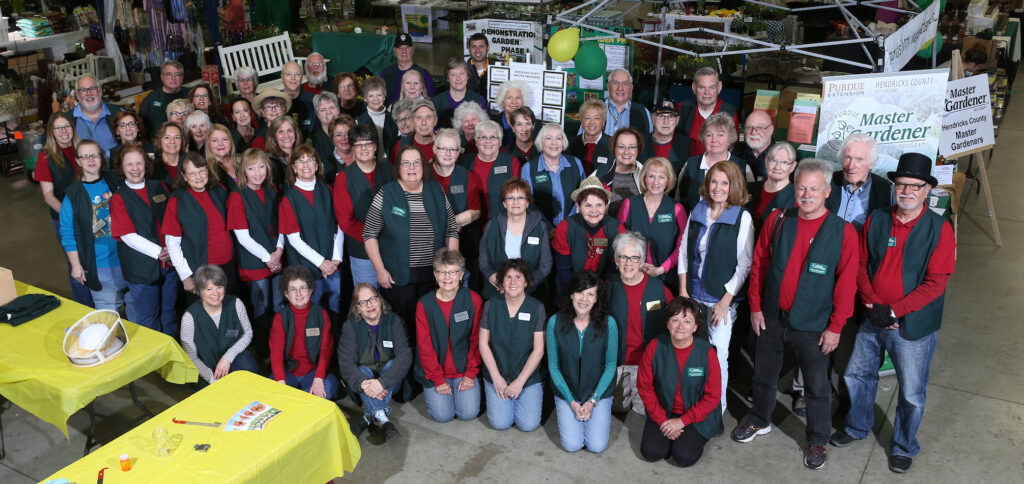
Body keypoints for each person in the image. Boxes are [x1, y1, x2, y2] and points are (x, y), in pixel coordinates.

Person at [830, 152, 956, 474]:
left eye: (915, 186)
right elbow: (860, 263)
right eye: (901, 184)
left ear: (927, 190)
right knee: (857, 375)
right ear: (894, 186)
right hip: (873, 317)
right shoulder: (877, 219)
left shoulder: (939, 230)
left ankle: (903, 445)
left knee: (912, 392)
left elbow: (936, 282)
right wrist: (871, 302)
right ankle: (857, 427)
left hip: (910, 326)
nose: (907, 192)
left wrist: (895, 310)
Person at [732, 158, 858, 471]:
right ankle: (759, 419)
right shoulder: (778, 219)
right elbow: (759, 264)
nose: (806, 194)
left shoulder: (844, 233)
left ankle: (817, 439)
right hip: (772, 316)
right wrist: (757, 307)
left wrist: (836, 327)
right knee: (763, 375)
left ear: (827, 191)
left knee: (816, 387)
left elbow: (846, 285)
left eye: (814, 189)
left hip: (814, 325)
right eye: (801, 187)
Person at [677, 161, 755, 413]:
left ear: (734, 186)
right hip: (692, 295)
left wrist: (724, 303)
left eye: (724, 182)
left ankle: (716, 410)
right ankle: (690, 405)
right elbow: (683, 253)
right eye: (713, 181)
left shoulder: (742, 217)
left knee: (718, 357)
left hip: (719, 302)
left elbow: (744, 265)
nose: (718, 187)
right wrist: (683, 292)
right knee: (691, 355)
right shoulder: (698, 210)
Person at [363, 145, 459, 330]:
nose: (412, 168)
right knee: (403, 327)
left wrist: (451, 270)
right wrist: (380, 270)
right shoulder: (386, 193)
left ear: (423, 166)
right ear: (398, 168)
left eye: (416, 163)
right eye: (406, 163)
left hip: (434, 276)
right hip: (398, 277)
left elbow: (451, 229)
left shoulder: (436, 190)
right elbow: (369, 234)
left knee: (431, 325)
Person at [637, 297, 722, 467]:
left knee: (683, 456)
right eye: (675, 320)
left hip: (695, 415)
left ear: (695, 327)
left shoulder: (707, 353)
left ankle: (686, 437)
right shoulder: (654, 347)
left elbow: (713, 397)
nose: (680, 326)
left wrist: (682, 421)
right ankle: (671, 435)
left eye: (687, 321)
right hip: (664, 411)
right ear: (667, 324)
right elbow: (644, 388)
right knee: (652, 452)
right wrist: (662, 420)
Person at [109, 143, 178, 334]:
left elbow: (173, 218)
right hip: (142, 270)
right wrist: (159, 253)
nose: (135, 169)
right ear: (121, 168)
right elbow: (127, 235)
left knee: (169, 314)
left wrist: (171, 251)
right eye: (129, 164)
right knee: (149, 320)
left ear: (146, 164)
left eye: (139, 163)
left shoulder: (159, 186)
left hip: (169, 266)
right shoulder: (119, 197)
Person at [547, 270, 618, 453]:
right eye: (579, 292)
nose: (584, 299)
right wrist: (571, 401)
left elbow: (610, 367)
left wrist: (592, 401)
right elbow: (554, 367)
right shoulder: (555, 322)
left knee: (596, 445)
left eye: (590, 294)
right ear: (571, 294)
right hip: (568, 393)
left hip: (597, 394)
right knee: (572, 445)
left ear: (596, 299)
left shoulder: (609, 324)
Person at [605, 232, 674, 415]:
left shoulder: (659, 289)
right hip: (617, 363)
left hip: (645, 364)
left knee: (644, 411)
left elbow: (674, 327)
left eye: (634, 258)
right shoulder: (608, 286)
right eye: (623, 257)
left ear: (642, 260)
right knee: (618, 408)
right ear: (616, 260)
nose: (629, 263)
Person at [415, 248, 484, 422]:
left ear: (461, 275)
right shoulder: (425, 304)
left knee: (468, 414)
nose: (447, 278)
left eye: (453, 272)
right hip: (436, 372)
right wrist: (437, 379)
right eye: (442, 272)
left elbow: (477, 340)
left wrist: (470, 373)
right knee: (442, 416)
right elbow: (425, 346)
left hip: (464, 371)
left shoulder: (474, 300)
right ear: (435, 275)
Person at [338, 282, 413, 441]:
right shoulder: (350, 326)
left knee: (392, 364)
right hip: (363, 382)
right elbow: (346, 363)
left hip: (391, 380)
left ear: (380, 300)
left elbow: (404, 356)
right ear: (357, 307)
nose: (369, 305)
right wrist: (364, 383)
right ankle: (382, 419)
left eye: (373, 299)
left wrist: (381, 383)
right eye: (363, 302)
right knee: (363, 371)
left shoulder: (394, 321)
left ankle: (367, 417)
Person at [478, 259, 546, 431]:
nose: (513, 282)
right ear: (501, 282)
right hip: (498, 375)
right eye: (508, 277)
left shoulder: (537, 307)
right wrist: (496, 378)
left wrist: (519, 382)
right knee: (500, 423)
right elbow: (483, 343)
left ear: (526, 282)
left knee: (528, 425)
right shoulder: (491, 305)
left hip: (526, 378)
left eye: (518, 277)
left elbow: (538, 350)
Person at [227, 148, 284, 353]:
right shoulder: (237, 196)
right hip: (255, 261)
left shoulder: (272, 191)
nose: (258, 172)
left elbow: (280, 225)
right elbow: (242, 237)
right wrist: (268, 257)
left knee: (279, 306)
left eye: (261, 167)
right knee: (262, 309)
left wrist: (279, 250)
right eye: (252, 168)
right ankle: (262, 353)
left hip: (276, 257)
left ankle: (278, 348)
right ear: (244, 171)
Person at [34, 113, 94, 305]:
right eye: (58, 128)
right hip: (66, 222)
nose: (63, 131)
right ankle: (86, 309)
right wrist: (72, 218)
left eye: (67, 126)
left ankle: (102, 302)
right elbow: (48, 196)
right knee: (78, 266)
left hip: (92, 217)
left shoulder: (82, 149)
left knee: (95, 260)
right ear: (51, 132)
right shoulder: (46, 157)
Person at [60, 140, 127, 311]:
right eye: (85, 156)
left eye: (95, 155)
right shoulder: (73, 195)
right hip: (100, 267)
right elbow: (68, 234)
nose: (91, 160)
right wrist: (76, 265)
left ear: (101, 157)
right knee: (108, 319)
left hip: (129, 261)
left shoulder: (116, 180)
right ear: (78, 161)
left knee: (140, 319)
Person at [278, 145, 344, 314]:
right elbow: (294, 240)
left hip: (332, 265)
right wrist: (321, 263)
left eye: (310, 160)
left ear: (317, 165)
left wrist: (336, 258)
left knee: (334, 309)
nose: (306, 165)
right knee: (310, 313)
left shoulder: (328, 190)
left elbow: (339, 225)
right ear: (293, 167)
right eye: (300, 161)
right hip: (304, 268)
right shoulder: (289, 199)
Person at [163, 152, 236, 300]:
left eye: (202, 171)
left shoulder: (219, 190)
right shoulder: (177, 201)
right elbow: (172, 244)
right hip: (201, 271)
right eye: (192, 173)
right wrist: (185, 277)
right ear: (184, 176)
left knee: (229, 311)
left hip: (227, 265)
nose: (199, 176)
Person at [180, 264, 259, 387]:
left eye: (219, 287)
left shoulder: (236, 304)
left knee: (247, 364)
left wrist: (227, 358)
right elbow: (191, 356)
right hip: (205, 372)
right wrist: (212, 379)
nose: (215, 293)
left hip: (233, 362)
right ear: (200, 291)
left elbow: (248, 333)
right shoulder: (189, 318)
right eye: (209, 289)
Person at [334, 124, 394, 288]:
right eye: (359, 145)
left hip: (392, 248)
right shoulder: (343, 178)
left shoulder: (389, 170)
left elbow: (399, 207)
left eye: (368, 143)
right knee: (368, 298)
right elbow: (346, 222)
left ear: (375, 146)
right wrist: (374, 239)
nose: (364, 148)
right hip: (362, 252)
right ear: (352, 148)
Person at [617, 157, 687, 291]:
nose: (656, 182)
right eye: (651, 176)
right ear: (644, 178)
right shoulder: (629, 205)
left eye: (662, 177)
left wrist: (661, 269)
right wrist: (634, 266)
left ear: (668, 180)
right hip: (631, 275)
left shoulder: (677, 209)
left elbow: (682, 246)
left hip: (666, 278)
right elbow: (619, 242)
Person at [270, 265, 339, 399]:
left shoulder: (321, 314)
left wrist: (319, 378)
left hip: (313, 372)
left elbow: (326, 349)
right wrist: (280, 382)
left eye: (303, 288)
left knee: (329, 388)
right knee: (273, 394)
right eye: (293, 289)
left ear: (310, 290)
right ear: (286, 294)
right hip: (288, 373)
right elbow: (276, 353)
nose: (299, 293)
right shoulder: (280, 317)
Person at [478, 179, 552, 300]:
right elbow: (483, 261)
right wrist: (495, 280)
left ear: (528, 202)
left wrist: (526, 283)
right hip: (497, 291)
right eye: (510, 198)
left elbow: (546, 265)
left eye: (521, 198)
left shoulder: (540, 227)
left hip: (530, 292)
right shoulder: (492, 225)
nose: (515, 202)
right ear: (504, 202)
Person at [428, 129, 483, 286]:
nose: (447, 153)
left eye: (452, 149)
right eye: (443, 148)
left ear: (458, 152)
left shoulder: (468, 176)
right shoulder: (423, 175)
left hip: (465, 243)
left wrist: (451, 222)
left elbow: (476, 211)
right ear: (434, 149)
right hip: (430, 243)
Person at [551, 178, 625, 288]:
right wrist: (576, 292)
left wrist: (598, 290)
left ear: (605, 206)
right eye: (588, 205)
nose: (594, 211)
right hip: (569, 286)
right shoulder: (565, 227)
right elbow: (563, 268)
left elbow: (615, 266)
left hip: (604, 286)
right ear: (579, 206)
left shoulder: (617, 229)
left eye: (599, 205)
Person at [676, 112, 747, 212]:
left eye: (720, 135)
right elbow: (678, 199)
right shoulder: (690, 164)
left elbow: (746, 203)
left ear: (730, 138)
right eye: (709, 135)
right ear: (703, 138)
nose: (714, 140)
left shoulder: (742, 166)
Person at [826, 133, 894, 230]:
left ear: (872, 163)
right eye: (847, 158)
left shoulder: (886, 191)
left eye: (859, 159)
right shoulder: (826, 182)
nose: (851, 166)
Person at [460, 120, 519, 222]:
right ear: (476, 141)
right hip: (471, 224)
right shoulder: (465, 161)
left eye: (493, 137)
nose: (488, 141)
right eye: (483, 137)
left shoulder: (511, 161)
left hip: (502, 222)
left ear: (500, 142)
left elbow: (517, 197)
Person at [675, 67, 739, 157]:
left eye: (712, 87)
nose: (707, 92)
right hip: (687, 165)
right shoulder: (682, 108)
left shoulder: (730, 112)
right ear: (694, 87)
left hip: (719, 166)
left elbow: (734, 146)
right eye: (702, 87)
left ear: (719, 87)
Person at [594, 127, 644, 215]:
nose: (626, 152)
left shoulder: (647, 175)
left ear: (638, 149)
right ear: (614, 148)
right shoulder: (599, 174)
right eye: (621, 147)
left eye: (632, 147)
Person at [746, 143, 797, 228]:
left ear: (793, 166)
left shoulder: (797, 196)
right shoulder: (749, 188)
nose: (777, 167)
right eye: (773, 161)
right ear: (766, 162)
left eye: (784, 162)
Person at [380, 32, 436, 104]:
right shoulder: (385, 73)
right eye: (400, 48)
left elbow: (430, 102)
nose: (404, 51)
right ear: (394, 51)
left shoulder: (424, 75)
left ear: (412, 50)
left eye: (407, 47)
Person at [72, 75, 122, 153]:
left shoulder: (118, 113)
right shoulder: (68, 120)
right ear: (77, 95)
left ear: (100, 91)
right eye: (83, 90)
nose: (89, 93)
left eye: (92, 88)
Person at [432, 57, 486, 128]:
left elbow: (484, 129)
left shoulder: (478, 100)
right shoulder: (436, 102)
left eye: (461, 73)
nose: (458, 78)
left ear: (467, 76)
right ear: (447, 78)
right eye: (453, 74)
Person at [640, 99, 690, 175]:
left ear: (677, 120)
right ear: (653, 118)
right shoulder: (640, 143)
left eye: (670, 117)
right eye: (661, 116)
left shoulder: (687, 145)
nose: (666, 121)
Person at [355, 76, 398, 160]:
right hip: (370, 164)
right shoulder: (358, 121)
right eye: (371, 96)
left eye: (379, 95)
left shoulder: (393, 118)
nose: (376, 99)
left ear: (384, 97)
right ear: (365, 98)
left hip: (392, 163)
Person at [139, 60, 187, 136]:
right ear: (162, 77)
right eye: (169, 74)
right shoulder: (151, 99)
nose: (173, 78)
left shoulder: (191, 94)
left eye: (177, 74)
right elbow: (142, 128)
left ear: (182, 77)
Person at [602, 68, 653, 136]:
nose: (620, 88)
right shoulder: (594, 108)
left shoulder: (643, 112)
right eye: (615, 83)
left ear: (631, 88)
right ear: (608, 86)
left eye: (625, 83)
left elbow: (648, 141)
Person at [567, 100, 611, 175]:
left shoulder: (613, 144)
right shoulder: (569, 144)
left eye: (596, 118)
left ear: (603, 121)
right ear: (581, 120)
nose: (591, 122)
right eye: (587, 118)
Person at [391, 99, 437, 164]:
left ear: (435, 120)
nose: (423, 122)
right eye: (419, 118)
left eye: (428, 117)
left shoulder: (445, 143)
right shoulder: (399, 146)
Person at [309, 92, 342, 179]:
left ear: (338, 110)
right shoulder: (313, 141)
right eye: (323, 110)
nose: (328, 112)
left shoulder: (351, 133)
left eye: (332, 107)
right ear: (317, 115)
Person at [265, 115, 304, 188]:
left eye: (289, 130)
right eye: (281, 132)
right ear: (274, 137)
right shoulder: (269, 162)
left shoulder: (304, 157)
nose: (286, 135)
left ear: (295, 133)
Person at [735, 109, 774, 181]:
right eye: (749, 127)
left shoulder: (782, 158)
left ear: (771, 130)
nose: (753, 132)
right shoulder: (735, 154)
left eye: (760, 128)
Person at [280, 61, 317, 136]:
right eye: (289, 74)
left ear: (302, 77)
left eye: (297, 74)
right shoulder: (275, 101)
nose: (293, 78)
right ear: (282, 76)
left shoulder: (313, 100)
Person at [321, 115, 356, 185]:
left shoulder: (364, 157)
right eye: (338, 135)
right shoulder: (324, 165)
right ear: (332, 138)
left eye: (347, 134)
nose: (344, 138)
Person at [205, 124, 239, 192]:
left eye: (225, 139)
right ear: (208, 144)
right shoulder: (207, 170)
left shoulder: (241, 160)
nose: (220, 144)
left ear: (231, 142)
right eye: (215, 140)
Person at [465, 32, 489, 96]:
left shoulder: (498, 69)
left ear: (488, 48)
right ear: (469, 49)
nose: (477, 50)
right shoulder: (463, 71)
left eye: (481, 46)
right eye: (473, 47)